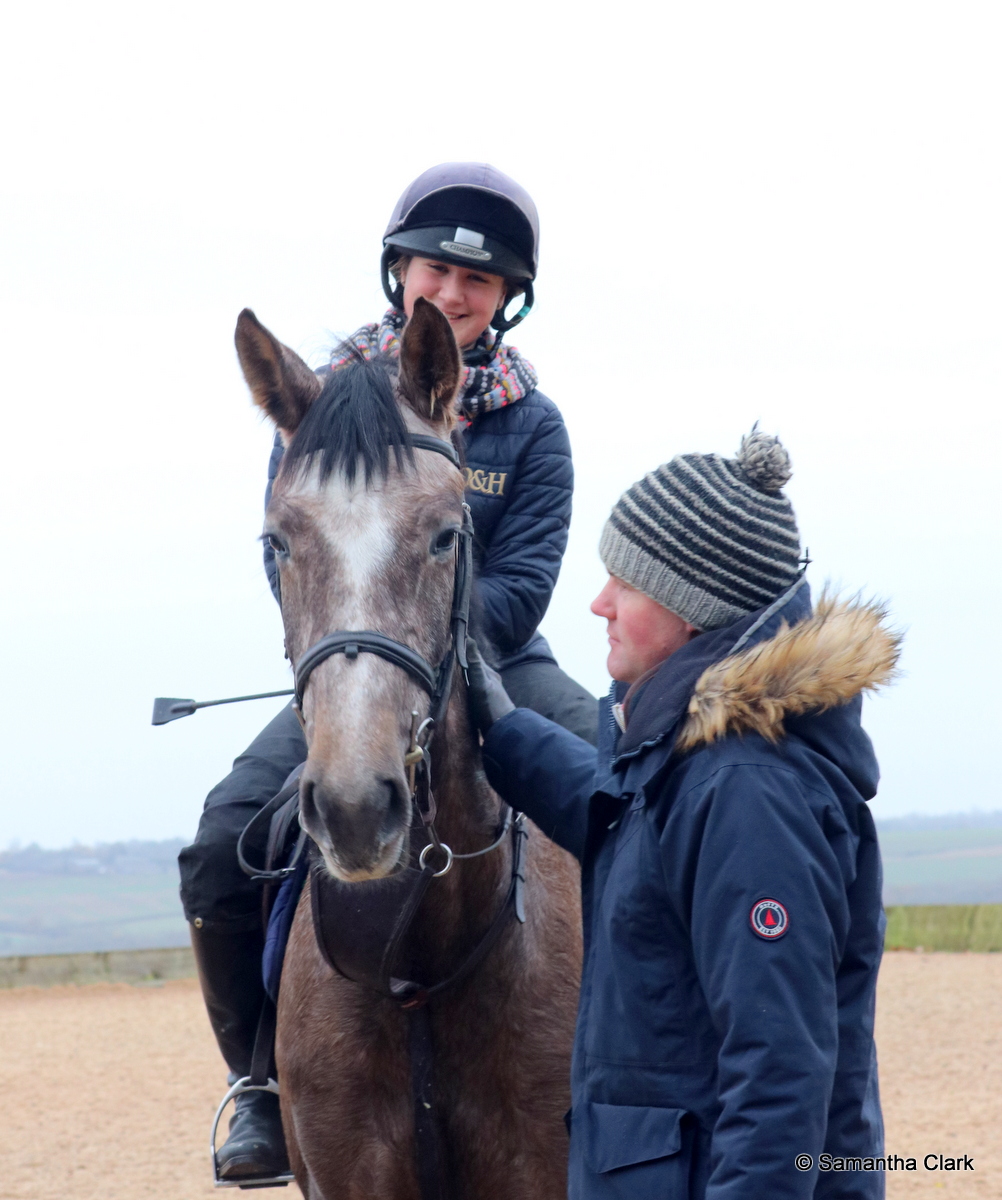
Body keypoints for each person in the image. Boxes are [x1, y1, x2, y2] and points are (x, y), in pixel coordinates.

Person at [178, 162, 597, 1181]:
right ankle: (258, 1086)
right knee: (222, 841)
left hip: (498, 660)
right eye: (436, 271)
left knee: (635, 795)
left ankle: (659, 1057)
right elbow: (292, 555)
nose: (453, 294)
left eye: (481, 283)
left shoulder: (531, 427)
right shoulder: (319, 410)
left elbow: (527, 584)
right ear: (396, 271)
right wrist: (358, 653)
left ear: (506, 301)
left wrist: (438, 653)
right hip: (354, 661)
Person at [466, 428, 900, 1200]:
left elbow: (779, 1077)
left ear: (692, 613)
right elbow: (623, 821)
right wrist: (501, 729)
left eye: (624, 585)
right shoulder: (693, 761)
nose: (598, 603)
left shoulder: (747, 792)